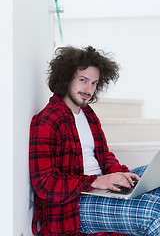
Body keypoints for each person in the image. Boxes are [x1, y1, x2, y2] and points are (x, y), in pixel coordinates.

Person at [29, 46, 160, 236]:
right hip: (74, 205)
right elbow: (45, 183)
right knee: (154, 212)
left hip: (99, 187)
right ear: (66, 78)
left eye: (94, 83)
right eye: (83, 80)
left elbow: (104, 155)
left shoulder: (88, 114)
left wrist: (117, 173)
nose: (88, 89)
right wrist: (97, 181)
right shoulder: (48, 121)